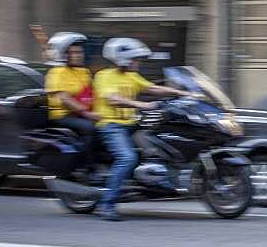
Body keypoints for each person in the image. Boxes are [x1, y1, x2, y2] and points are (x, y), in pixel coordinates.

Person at [93, 37, 191, 221]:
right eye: (134, 59)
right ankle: (106, 205)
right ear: (123, 59)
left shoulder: (131, 75)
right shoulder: (103, 76)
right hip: (111, 125)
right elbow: (113, 99)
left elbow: (152, 88)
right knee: (127, 157)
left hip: (131, 124)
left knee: (160, 142)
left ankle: (154, 182)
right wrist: (141, 105)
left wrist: (181, 92)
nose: (137, 62)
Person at [44, 32, 99, 173]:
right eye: (74, 52)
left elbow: (94, 93)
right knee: (90, 128)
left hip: (79, 113)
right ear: (63, 55)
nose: (79, 55)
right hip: (62, 115)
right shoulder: (57, 72)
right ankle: (86, 167)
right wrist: (88, 114)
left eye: (80, 52)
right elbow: (64, 98)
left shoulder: (84, 71)